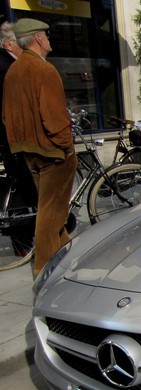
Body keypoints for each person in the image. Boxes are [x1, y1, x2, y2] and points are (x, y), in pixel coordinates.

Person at [3, 18, 78, 277]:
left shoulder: (14, 71)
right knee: (51, 215)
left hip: (29, 151)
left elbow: (6, 116)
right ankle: (43, 271)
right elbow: (54, 117)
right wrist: (66, 147)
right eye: (46, 34)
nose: (49, 38)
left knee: (51, 208)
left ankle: (66, 261)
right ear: (37, 38)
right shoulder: (44, 71)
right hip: (52, 152)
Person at [0, 22, 39, 255]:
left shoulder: (12, 64)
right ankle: (22, 243)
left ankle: (25, 240)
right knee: (23, 191)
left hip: (14, 138)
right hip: (13, 139)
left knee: (26, 189)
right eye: (18, 42)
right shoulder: (6, 67)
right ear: (7, 44)